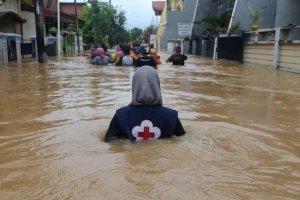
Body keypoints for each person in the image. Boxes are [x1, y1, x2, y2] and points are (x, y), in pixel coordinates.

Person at [104, 66, 185, 142]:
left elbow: (109, 142)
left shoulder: (121, 115)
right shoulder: (171, 116)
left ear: (135, 85)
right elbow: (181, 141)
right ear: (157, 85)